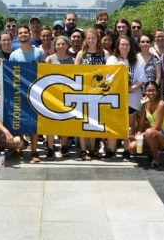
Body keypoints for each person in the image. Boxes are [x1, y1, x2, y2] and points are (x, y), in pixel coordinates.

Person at [104, 35, 146, 160]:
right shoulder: (112, 59)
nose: (124, 47)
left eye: (127, 44)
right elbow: (107, 77)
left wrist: (132, 88)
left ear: (131, 46)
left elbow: (141, 80)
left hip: (132, 97)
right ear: (118, 46)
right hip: (114, 97)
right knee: (112, 123)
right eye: (122, 44)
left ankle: (127, 149)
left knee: (129, 124)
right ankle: (112, 150)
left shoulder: (137, 61)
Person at [9, 25, 45, 162]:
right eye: (20, 33)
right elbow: (10, 74)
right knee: (20, 121)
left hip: (35, 93)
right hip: (19, 93)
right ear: (17, 36)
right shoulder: (14, 54)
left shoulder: (39, 52)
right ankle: (19, 149)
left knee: (33, 123)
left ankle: (34, 151)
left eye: (25, 32)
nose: (23, 34)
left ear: (30, 34)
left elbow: (43, 71)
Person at [75, 28, 110, 160]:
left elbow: (110, 72)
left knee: (94, 121)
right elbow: (74, 73)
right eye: (88, 38)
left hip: (99, 93)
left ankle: (92, 148)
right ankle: (84, 150)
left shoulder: (105, 53)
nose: (90, 40)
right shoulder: (81, 54)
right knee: (83, 121)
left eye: (93, 38)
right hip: (84, 92)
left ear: (97, 39)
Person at [127, 81, 164, 170]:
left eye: (153, 90)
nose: (151, 93)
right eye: (148, 91)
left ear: (157, 91)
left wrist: (141, 136)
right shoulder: (146, 105)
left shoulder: (161, 104)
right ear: (145, 91)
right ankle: (152, 152)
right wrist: (137, 134)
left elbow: (157, 127)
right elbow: (140, 125)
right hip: (151, 135)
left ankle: (157, 161)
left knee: (149, 131)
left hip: (163, 137)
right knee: (132, 147)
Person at [45, 35, 74, 157]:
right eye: (58, 44)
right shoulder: (49, 59)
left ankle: (63, 146)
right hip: (52, 94)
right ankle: (50, 148)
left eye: (63, 44)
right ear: (54, 46)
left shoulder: (72, 60)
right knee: (51, 121)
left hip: (67, 94)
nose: (61, 46)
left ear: (67, 45)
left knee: (65, 122)